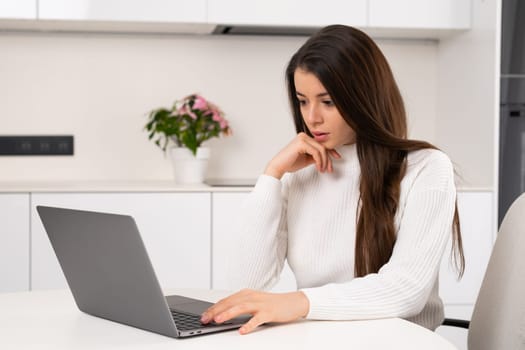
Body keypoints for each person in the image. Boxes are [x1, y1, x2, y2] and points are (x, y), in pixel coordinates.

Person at [201, 24, 465, 335]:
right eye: (302, 101)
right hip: (319, 338)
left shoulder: (426, 168)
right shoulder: (298, 175)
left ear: (363, 98)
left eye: (327, 102)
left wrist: (300, 302)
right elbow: (245, 287)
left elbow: (406, 289)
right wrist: (272, 175)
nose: (312, 117)